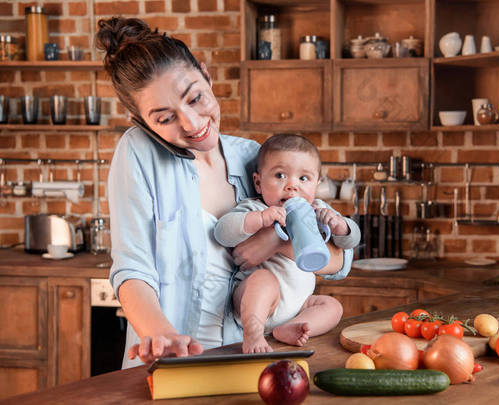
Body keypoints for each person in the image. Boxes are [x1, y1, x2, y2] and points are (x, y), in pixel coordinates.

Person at [96, 17, 354, 368]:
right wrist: (159, 332)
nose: (192, 123)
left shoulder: (252, 155)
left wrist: (278, 243)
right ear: (141, 122)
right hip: (173, 361)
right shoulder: (138, 153)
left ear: (206, 75)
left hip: (245, 355)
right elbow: (132, 267)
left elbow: (338, 262)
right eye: (164, 118)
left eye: (195, 97)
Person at [215, 134, 360, 353]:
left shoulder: (319, 210)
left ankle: (292, 327)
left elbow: (352, 241)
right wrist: (261, 220)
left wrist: (342, 226)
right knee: (263, 280)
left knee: (332, 307)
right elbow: (222, 232)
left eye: (304, 179)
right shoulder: (256, 208)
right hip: (258, 299)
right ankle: (253, 334)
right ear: (258, 182)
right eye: (280, 175)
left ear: (317, 184)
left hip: (299, 303)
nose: (292, 186)